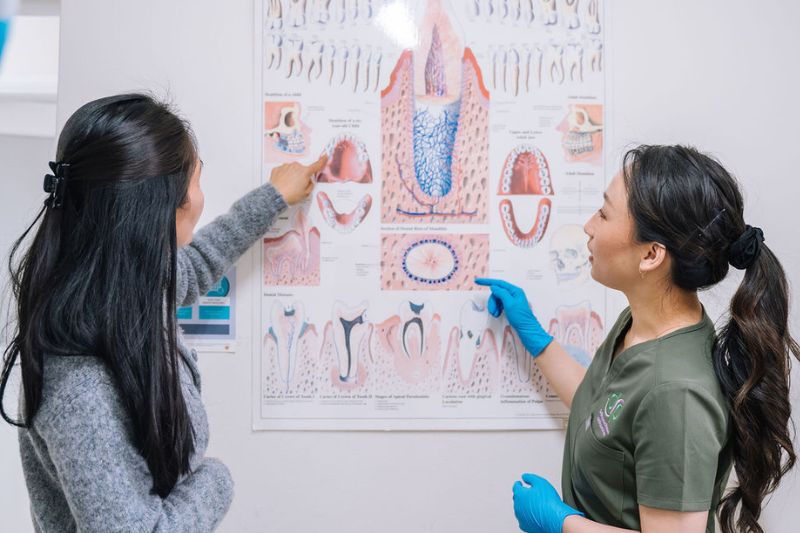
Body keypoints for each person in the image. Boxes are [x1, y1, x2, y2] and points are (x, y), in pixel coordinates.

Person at [0, 93, 325, 531]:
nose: (200, 198)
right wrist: (216, 481)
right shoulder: (78, 386)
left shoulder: (120, 282)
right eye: (197, 179)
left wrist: (273, 197)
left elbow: (196, 264)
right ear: (161, 208)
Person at [477, 145, 799, 533]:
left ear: (651, 255)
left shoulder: (677, 394)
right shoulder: (640, 324)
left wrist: (562, 523)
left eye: (604, 213)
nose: (588, 226)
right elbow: (603, 412)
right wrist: (535, 336)